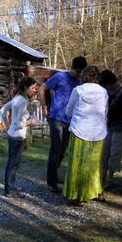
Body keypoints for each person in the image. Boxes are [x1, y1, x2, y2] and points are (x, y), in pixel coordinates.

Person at [38, 56, 86, 193]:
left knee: (62, 151)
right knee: (55, 149)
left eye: (81, 72)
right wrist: (44, 107)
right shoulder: (60, 76)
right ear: (72, 67)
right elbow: (42, 89)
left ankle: (53, 174)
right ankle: (51, 182)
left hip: (71, 121)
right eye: (77, 71)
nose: (79, 74)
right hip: (56, 118)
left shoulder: (81, 82)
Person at [63, 66, 108, 205]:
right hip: (98, 132)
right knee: (93, 165)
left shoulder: (78, 90)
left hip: (80, 130)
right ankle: (95, 192)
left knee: (78, 164)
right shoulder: (103, 92)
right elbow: (105, 112)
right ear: (97, 77)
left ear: (84, 76)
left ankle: (77, 196)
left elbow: (68, 111)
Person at [0, 76, 38, 197]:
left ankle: (10, 187)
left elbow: (3, 109)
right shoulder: (23, 101)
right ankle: (10, 190)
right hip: (17, 136)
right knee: (14, 163)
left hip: (11, 134)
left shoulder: (18, 98)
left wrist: (5, 123)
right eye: (32, 87)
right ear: (25, 87)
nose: (34, 90)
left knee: (12, 162)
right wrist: (29, 122)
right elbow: (18, 123)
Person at [99, 70, 122, 187]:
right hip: (110, 125)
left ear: (110, 82)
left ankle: (109, 178)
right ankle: (101, 177)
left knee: (114, 153)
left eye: (105, 84)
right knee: (104, 152)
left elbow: (116, 111)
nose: (105, 87)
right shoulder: (106, 91)